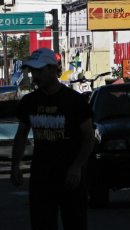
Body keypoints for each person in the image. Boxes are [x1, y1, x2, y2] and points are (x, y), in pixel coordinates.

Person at [11, 48, 95, 230]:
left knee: (75, 223)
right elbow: (21, 135)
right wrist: (15, 165)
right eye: (32, 71)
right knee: (42, 224)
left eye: (40, 70)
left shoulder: (75, 101)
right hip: (42, 176)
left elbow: (89, 137)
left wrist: (77, 166)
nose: (35, 75)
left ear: (52, 69)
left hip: (71, 177)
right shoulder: (30, 102)